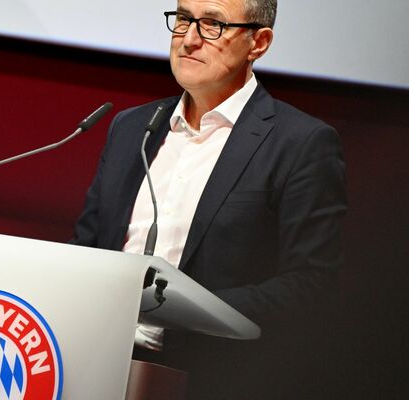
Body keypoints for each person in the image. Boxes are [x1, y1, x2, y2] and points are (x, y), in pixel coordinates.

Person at [70, 0, 346, 398]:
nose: (189, 39)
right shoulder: (132, 128)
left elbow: (311, 285)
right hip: (94, 364)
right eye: (183, 19)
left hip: (210, 378)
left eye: (213, 24)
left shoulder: (300, 143)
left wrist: (182, 308)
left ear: (259, 42)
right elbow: (86, 248)